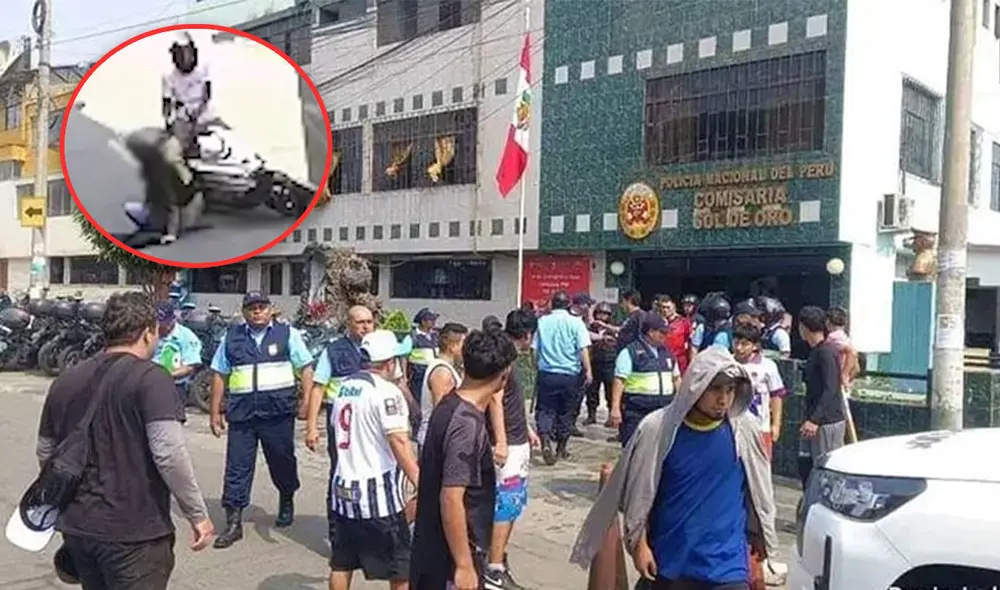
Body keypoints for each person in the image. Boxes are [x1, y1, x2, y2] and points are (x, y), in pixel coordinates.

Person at [32, 292, 214, 589]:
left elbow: (46, 451)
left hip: (79, 528)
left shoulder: (66, 379)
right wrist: (197, 515)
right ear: (147, 332)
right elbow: (169, 454)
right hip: (133, 532)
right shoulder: (152, 378)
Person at [570, 346, 779, 590]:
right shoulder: (658, 430)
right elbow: (640, 494)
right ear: (696, 386)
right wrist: (639, 545)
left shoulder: (744, 430)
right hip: (670, 562)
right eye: (714, 389)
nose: (723, 399)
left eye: (730, 390)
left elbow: (759, 489)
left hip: (727, 566)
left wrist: (760, 534)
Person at [410, 329, 519, 590]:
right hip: (447, 558)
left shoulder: (449, 404)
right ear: (503, 376)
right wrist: (464, 565)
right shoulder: (466, 425)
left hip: (430, 547)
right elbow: (451, 497)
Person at [208, 291, 315, 549]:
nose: (257, 311)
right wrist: (214, 411)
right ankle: (233, 522)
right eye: (252, 307)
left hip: (277, 413)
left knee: (282, 461)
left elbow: (307, 368)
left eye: (261, 307)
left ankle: (286, 497)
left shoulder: (287, 334)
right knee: (237, 467)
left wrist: (307, 402)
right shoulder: (232, 337)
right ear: (244, 311)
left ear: (270, 309)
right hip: (242, 414)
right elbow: (219, 374)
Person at [327, 330, 421, 590]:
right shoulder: (387, 393)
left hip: (343, 488)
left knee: (342, 562)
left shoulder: (346, 386)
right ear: (390, 362)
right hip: (376, 494)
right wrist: (419, 479)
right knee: (401, 567)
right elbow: (399, 441)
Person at [483, 310, 541, 590]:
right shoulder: (505, 356)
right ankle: (494, 568)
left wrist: (527, 428)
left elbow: (510, 400)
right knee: (506, 504)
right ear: (528, 334)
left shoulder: (506, 352)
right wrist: (503, 440)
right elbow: (495, 398)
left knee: (511, 502)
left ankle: (497, 557)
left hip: (518, 437)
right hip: (509, 445)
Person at [308, 305, 376, 532]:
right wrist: (311, 427)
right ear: (349, 325)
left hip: (371, 425)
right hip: (342, 427)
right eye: (360, 322)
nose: (366, 326)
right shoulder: (334, 350)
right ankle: (338, 530)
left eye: (369, 321)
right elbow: (318, 388)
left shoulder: (379, 349)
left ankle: (366, 527)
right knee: (341, 474)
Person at [532, 291, 593, 465]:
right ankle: (560, 448)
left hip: (547, 373)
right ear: (568, 305)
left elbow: (535, 349)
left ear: (552, 304)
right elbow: (583, 349)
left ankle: (544, 439)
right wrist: (588, 370)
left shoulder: (542, 322)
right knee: (566, 411)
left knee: (545, 410)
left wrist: (537, 366)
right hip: (570, 375)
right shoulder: (576, 323)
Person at [608, 313, 682, 446]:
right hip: (637, 411)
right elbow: (619, 380)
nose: (666, 336)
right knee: (634, 448)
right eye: (662, 332)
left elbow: (676, 378)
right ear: (651, 332)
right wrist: (615, 408)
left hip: (662, 411)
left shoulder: (667, 353)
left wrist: (680, 401)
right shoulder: (630, 352)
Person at [797, 306, 846, 488]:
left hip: (827, 421)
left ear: (804, 327)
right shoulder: (818, 351)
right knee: (811, 466)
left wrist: (815, 420)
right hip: (817, 418)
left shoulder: (825, 351)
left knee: (827, 468)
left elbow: (830, 388)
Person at [416, 322, 468, 448]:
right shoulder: (442, 373)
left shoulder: (447, 369)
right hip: (435, 443)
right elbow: (442, 413)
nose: (466, 349)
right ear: (452, 346)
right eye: (464, 344)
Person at [151, 300, 203, 424]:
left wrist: (166, 374)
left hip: (175, 387)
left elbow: (190, 366)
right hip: (149, 384)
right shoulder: (150, 332)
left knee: (170, 424)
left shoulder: (186, 336)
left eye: (163, 324)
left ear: (172, 320)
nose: (159, 327)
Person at [583, 302, 618, 426]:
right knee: (592, 390)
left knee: (610, 391)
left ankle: (610, 416)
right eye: (599, 313)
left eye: (605, 314)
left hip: (609, 363)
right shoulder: (590, 328)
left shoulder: (612, 329)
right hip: (594, 362)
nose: (602, 316)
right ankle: (591, 415)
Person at [407, 307, 439, 407]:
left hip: (433, 373)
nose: (434, 322)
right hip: (418, 376)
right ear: (423, 321)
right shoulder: (413, 336)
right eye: (431, 320)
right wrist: (404, 376)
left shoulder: (435, 336)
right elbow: (404, 356)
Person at [658, 296, 692, 374]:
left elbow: (690, 343)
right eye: (663, 307)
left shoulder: (684, 322)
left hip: (680, 361)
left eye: (668, 307)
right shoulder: (658, 323)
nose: (665, 310)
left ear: (674, 306)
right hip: (664, 360)